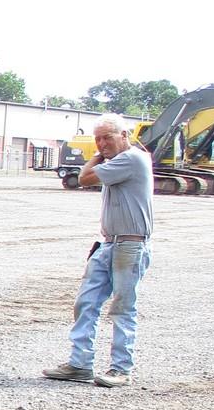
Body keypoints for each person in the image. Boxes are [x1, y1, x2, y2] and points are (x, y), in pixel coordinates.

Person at [42, 113, 153, 388]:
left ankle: (121, 368)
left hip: (130, 244)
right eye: (98, 139)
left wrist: (96, 158)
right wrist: (102, 156)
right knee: (86, 301)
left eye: (108, 137)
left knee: (122, 307)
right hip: (109, 243)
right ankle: (80, 364)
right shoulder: (118, 161)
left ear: (124, 136)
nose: (102, 144)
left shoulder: (132, 159)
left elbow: (84, 177)